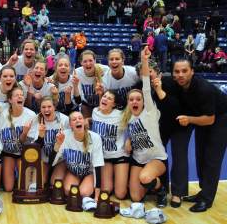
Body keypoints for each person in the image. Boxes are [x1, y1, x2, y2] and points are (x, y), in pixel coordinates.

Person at [172, 59, 227, 212]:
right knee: (200, 156)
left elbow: (210, 119)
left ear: (192, 72)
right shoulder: (178, 85)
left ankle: (207, 199)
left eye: (184, 71)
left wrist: (189, 119)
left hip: (221, 120)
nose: (180, 75)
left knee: (212, 159)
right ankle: (203, 192)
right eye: (177, 72)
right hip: (203, 118)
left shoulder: (204, 88)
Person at [121, 46, 167, 203]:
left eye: (138, 99)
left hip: (156, 158)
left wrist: (144, 60)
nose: (135, 101)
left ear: (143, 101)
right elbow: (130, 132)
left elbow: (146, 88)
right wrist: (128, 138)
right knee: (135, 197)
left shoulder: (149, 112)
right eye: (131, 99)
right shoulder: (129, 118)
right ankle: (149, 186)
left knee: (145, 177)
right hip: (138, 159)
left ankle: (160, 189)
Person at [52, 111, 104, 199]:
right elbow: (52, 162)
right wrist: (58, 144)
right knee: (69, 191)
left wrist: (97, 196)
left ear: (83, 122)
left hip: (89, 172)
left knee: (83, 193)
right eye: (74, 119)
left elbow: (97, 166)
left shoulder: (95, 138)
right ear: (70, 125)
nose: (77, 120)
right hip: (73, 171)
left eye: (80, 118)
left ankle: (86, 186)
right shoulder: (64, 135)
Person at [91, 90, 129, 200]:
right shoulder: (95, 112)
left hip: (120, 155)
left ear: (114, 104)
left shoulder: (121, 115)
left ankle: (128, 183)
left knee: (120, 194)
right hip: (104, 157)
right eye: (104, 96)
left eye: (109, 98)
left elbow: (135, 122)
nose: (105, 99)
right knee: (106, 190)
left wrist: (129, 139)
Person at [0, 87, 36, 191]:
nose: (20, 96)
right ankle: (13, 177)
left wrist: (24, 133)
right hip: (7, 153)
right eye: (16, 95)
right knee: (8, 188)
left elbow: (27, 143)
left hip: (24, 152)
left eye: (22, 95)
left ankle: (20, 177)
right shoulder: (2, 114)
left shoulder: (31, 115)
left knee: (27, 187)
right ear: (10, 100)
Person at [30, 97, 69, 184]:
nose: (46, 109)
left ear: (54, 107)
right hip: (44, 159)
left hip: (60, 159)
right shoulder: (36, 120)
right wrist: (40, 136)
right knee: (38, 182)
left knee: (55, 183)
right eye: (43, 107)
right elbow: (34, 149)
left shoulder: (65, 120)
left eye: (49, 106)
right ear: (40, 109)